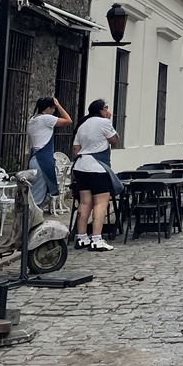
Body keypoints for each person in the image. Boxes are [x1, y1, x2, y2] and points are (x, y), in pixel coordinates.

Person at [71, 99, 120, 252]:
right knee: (101, 203)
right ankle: (97, 239)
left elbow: (75, 149)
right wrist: (109, 122)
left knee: (84, 202)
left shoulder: (82, 124)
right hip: (97, 167)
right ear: (100, 110)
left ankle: (81, 237)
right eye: (106, 108)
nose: (108, 111)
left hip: (81, 166)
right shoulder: (104, 122)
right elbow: (115, 141)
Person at [27, 96, 71, 209]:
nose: (54, 111)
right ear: (48, 108)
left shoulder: (32, 119)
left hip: (35, 158)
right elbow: (68, 121)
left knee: (35, 191)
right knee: (38, 195)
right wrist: (59, 105)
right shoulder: (46, 118)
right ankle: (33, 216)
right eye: (53, 108)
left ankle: (32, 214)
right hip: (43, 160)